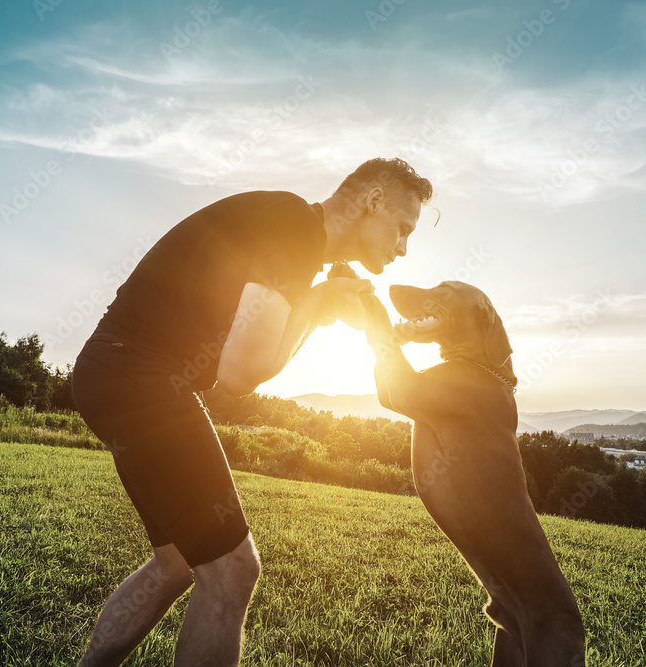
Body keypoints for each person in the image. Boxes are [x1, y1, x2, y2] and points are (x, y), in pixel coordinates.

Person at [71, 157, 433, 666]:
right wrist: (322, 300)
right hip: (140, 379)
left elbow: (242, 368)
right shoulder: (297, 228)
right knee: (233, 570)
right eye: (402, 228)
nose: (402, 247)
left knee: (175, 565)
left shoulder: (293, 230)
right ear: (372, 201)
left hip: (115, 374)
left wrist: (319, 304)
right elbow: (241, 375)